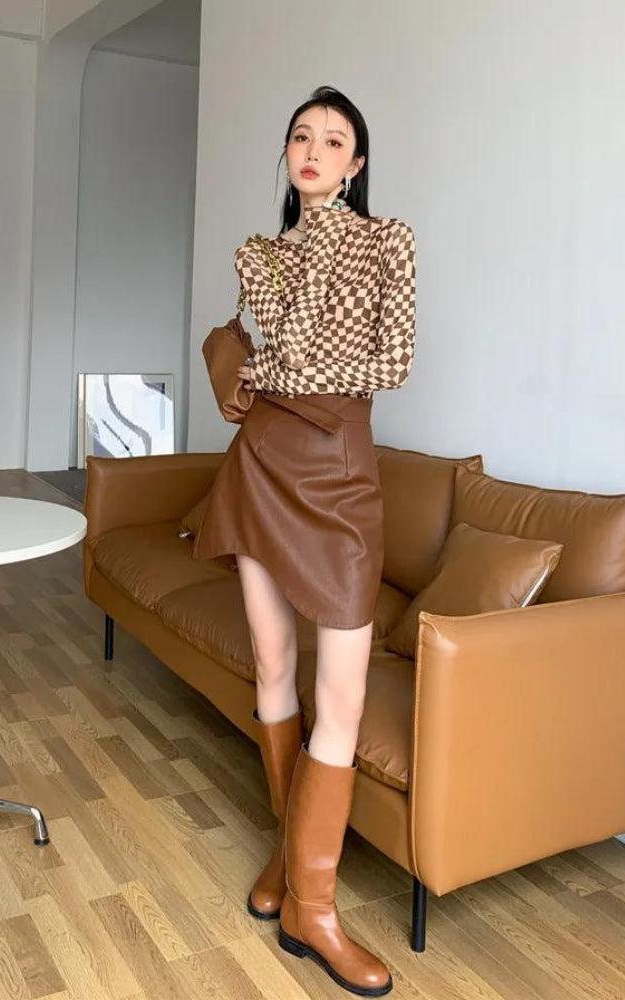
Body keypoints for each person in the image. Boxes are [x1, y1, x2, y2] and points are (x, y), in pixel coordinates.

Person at [192, 84, 416, 997]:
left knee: (343, 694)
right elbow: (281, 343)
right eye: (300, 137)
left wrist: (273, 367)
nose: (314, 150)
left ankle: (300, 894)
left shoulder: (387, 240)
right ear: (288, 157)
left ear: (355, 164)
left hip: (340, 472)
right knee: (274, 666)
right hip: (261, 464)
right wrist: (274, 360)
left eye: (333, 139)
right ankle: (304, 892)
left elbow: (389, 362)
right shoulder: (261, 255)